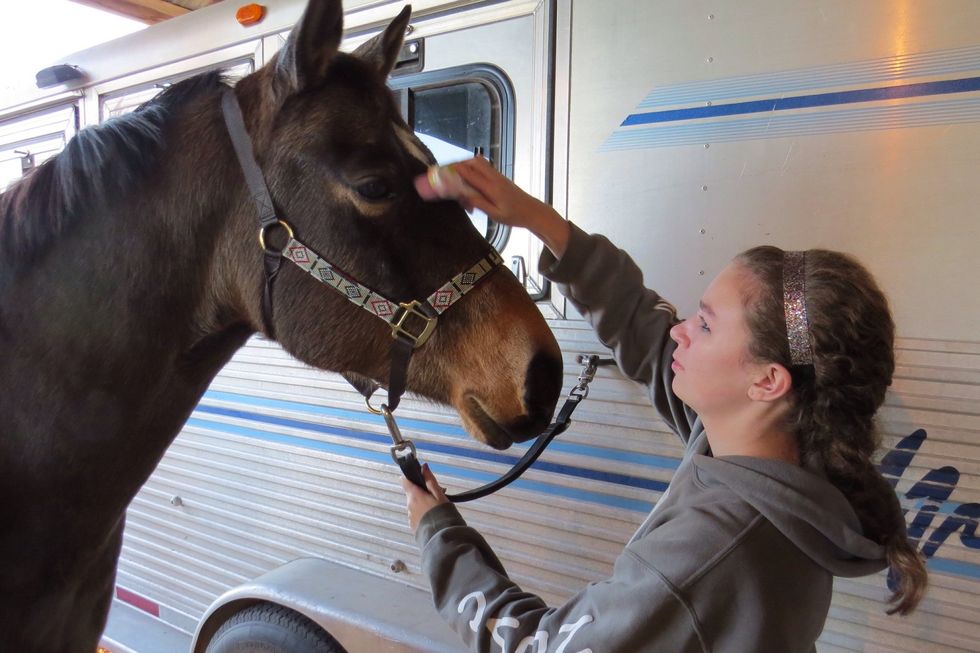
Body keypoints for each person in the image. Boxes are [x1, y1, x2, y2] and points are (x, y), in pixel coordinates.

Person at [402, 156, 927, 653]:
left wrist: (440, 535)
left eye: (704, 322)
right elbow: (646, 332)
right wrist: (536, 218)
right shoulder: (782, 461)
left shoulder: (707, 552)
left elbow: (533, 645)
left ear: (768, 381)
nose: (680, 330)